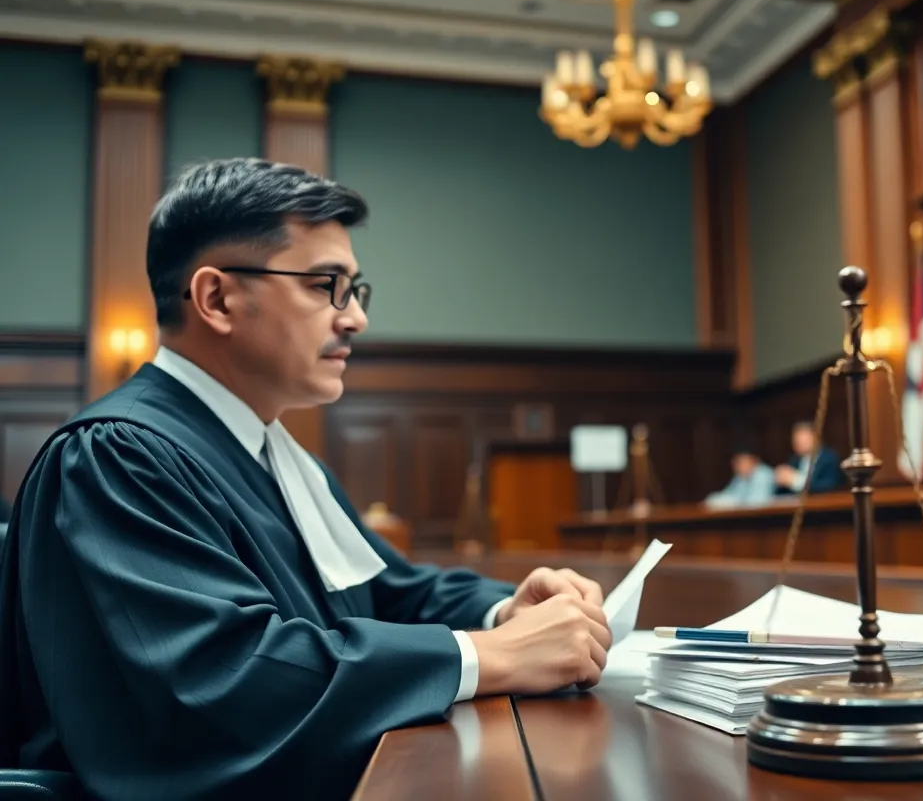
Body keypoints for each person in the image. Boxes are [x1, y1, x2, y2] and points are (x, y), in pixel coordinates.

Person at [0, 159, 612, 801]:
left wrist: (504, 610)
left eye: (354, 290)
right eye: (326, 285)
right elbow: (220, 685)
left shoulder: (278, 454)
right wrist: (493, 655)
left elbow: (387, 591)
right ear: (216, 298)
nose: (355, 319)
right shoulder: (116, 457)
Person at [774, 421, 843, 495]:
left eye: (803, 440)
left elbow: (830, 486)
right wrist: (781, 480)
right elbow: (782, 492)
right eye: (796, 441)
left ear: (816, 438)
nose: (799, 443)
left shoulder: (830, 458)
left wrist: (795, 481)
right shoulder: (794, 460)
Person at [704, 449, 775, 508]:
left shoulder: (763, 474)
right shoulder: (740, 477)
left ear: (753, 460)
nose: (736, 466)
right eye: (735, 462)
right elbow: (727, 495)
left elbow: (757, 503)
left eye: (740, 461)